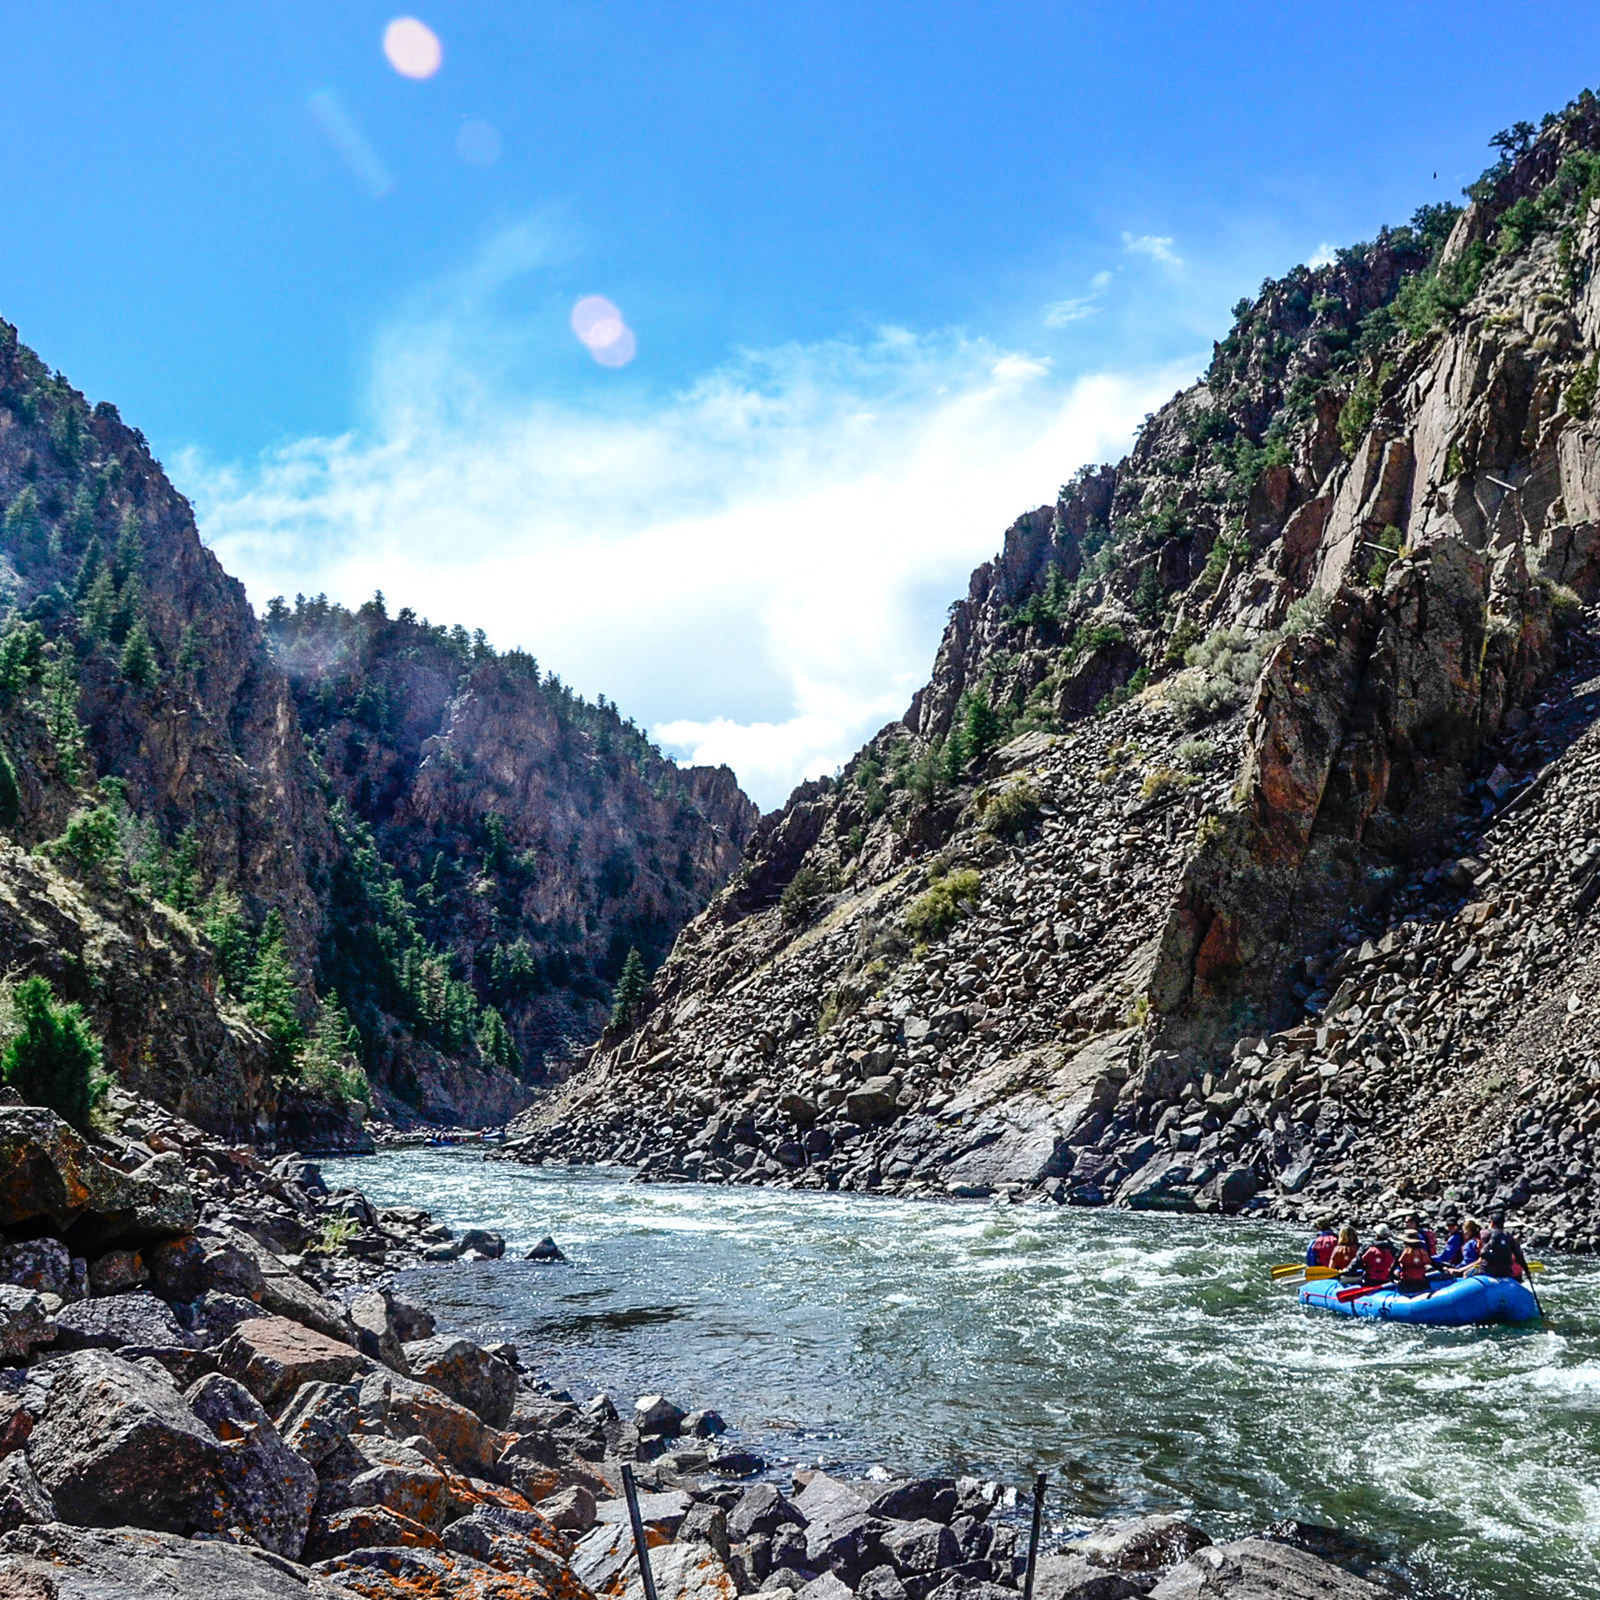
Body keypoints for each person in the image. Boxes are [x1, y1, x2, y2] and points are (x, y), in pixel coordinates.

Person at [1471, 1212, 1529, 1280]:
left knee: (1467, 1273)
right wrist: (1527, 1271)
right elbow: (1519, 1256)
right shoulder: (1509, 1236)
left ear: (1492, 1223)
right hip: (1505, 1272)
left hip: (1487, 1270)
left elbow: (1482, 1252)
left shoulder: (1485, 1233)